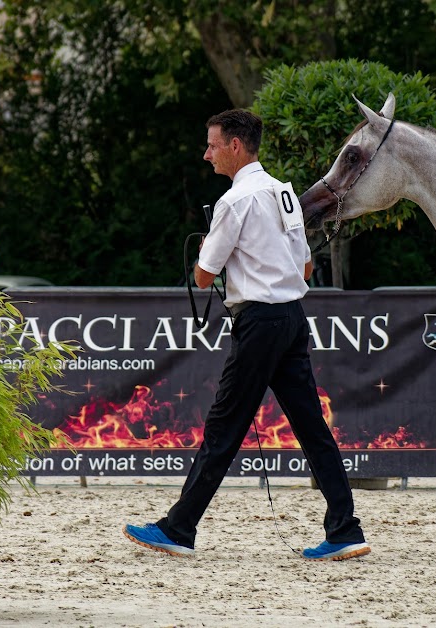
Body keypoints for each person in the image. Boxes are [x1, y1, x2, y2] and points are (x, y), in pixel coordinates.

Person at [123, 109, 370, 561]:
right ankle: (345, 528)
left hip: (259, 322)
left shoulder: (233, 202)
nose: (207, 154)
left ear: (235, 146)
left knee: (224, 426)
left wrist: (209, 254)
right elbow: (306, 267)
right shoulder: (283, 193)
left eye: (213, 145)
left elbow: (202, 277)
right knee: (311, 427)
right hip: (292, 316)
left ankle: (179, 528)